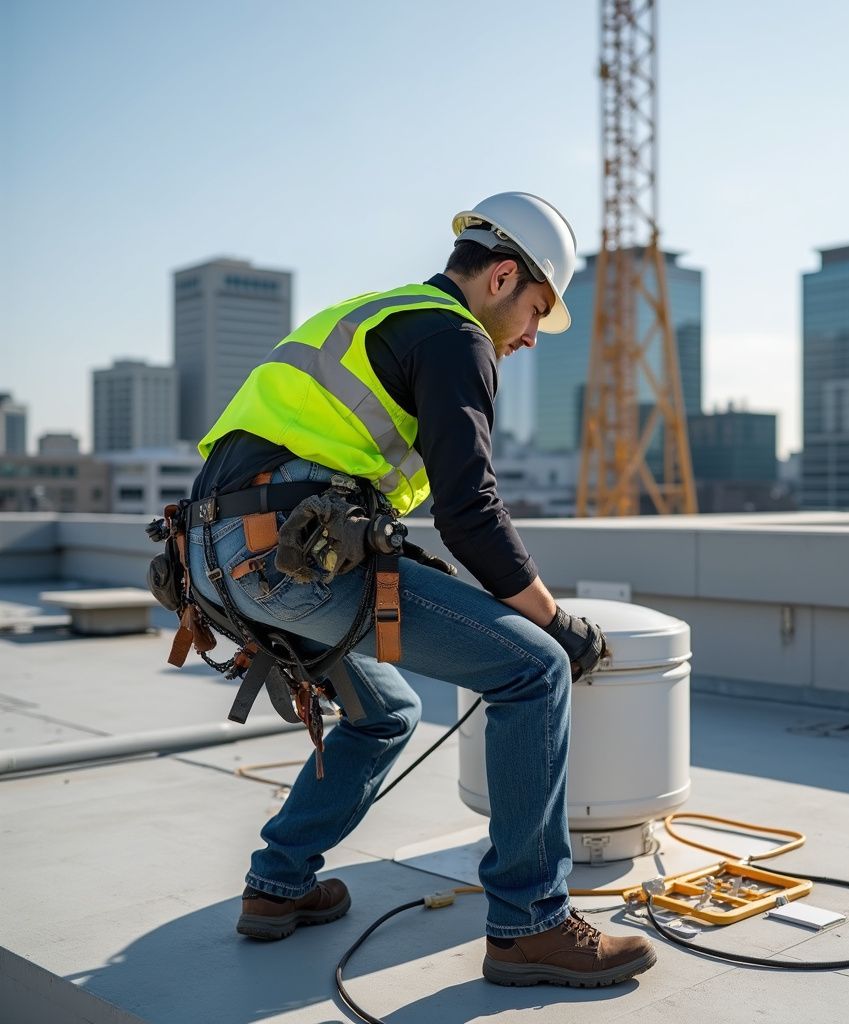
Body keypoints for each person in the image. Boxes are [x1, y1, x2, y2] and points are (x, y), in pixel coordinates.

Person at [185, 191, 656, 987]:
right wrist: (557, 622)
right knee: (534, 669)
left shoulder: (381, 312)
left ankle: (278, 885)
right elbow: (471, 513)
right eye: (538, 310)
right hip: (284, 556)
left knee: (387, 713)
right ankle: (530, 925)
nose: (533, 337)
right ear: (503, 278)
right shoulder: (455, 337)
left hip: (214, 557)